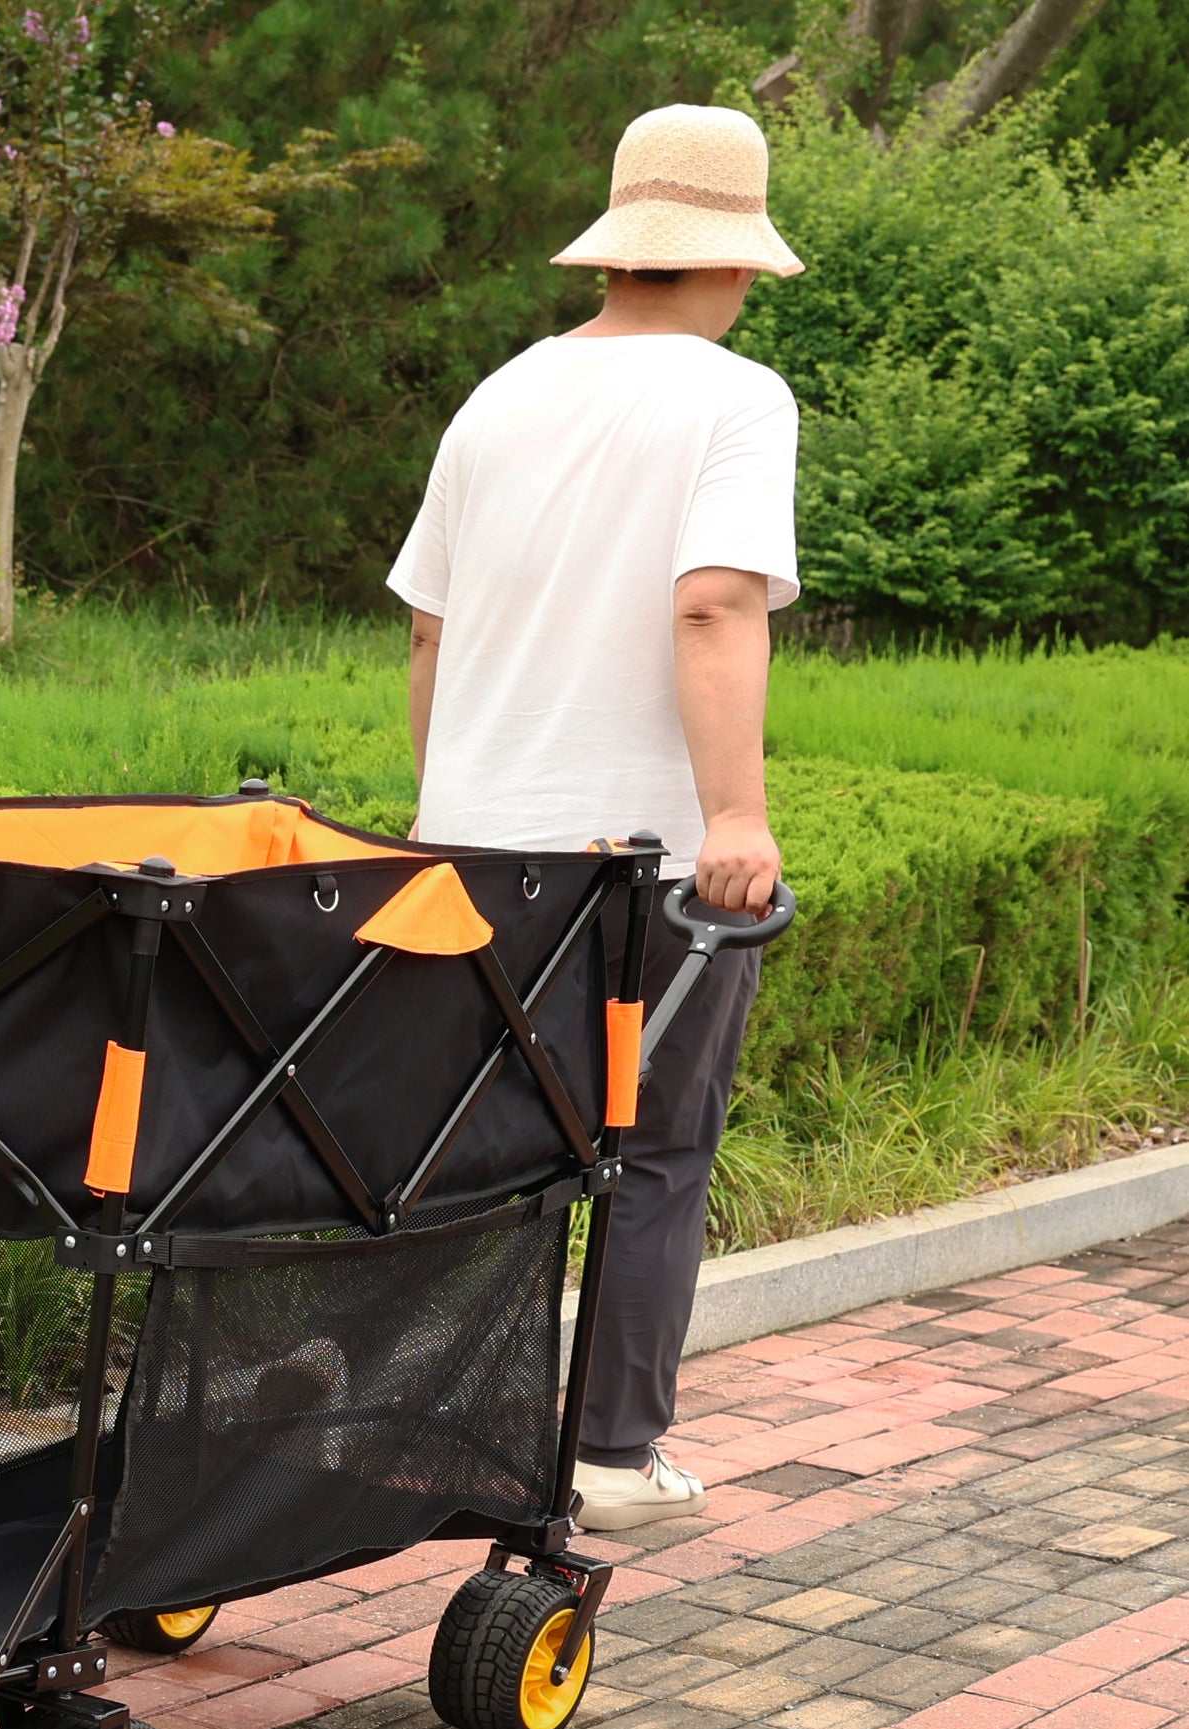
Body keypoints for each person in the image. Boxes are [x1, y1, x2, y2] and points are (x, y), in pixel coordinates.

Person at [386, 103, 802, 1531]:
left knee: (490, 1152)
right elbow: (713, 601)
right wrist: (734, 811)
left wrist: (452, 811)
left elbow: (431, 638)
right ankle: (612, 1452)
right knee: (651, 1151)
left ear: (619, 246)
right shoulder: (734, 400)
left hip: (478, 858)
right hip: (645, 867)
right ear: (735, 261)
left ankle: (428, 1424)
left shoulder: (496, 397)